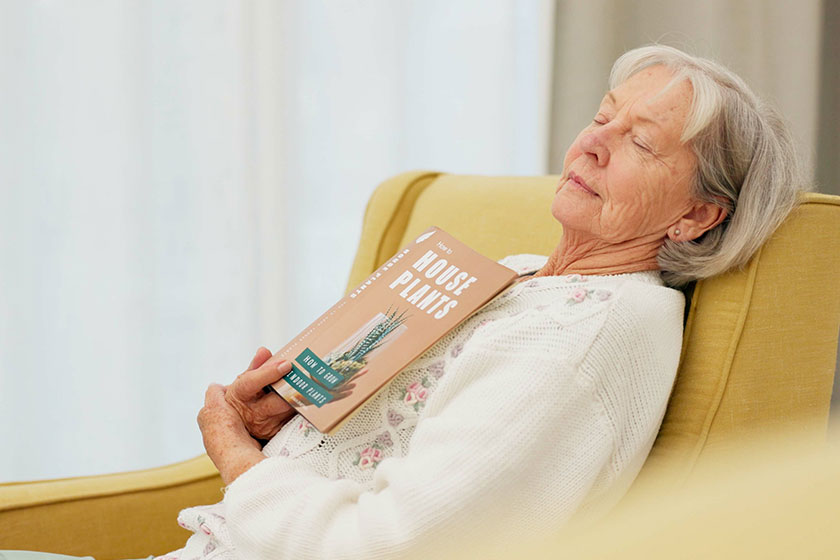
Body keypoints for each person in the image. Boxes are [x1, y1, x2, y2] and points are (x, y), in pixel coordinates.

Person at [0, 44, 804, 560]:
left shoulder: (585, 343)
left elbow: (392, 546)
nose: (590, 142)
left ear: (700, 214)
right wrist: (276, 429)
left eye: (639, 142)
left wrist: (238, 463)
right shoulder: (522, 274)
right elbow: (384, 447)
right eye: (602, 116)